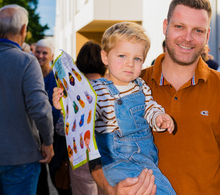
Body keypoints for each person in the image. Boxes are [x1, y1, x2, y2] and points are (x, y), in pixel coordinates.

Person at [91, 0, 220, 194]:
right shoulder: (130, 85)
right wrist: (111, 190)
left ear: (207, 36)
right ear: (165, 27)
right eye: (179, 27)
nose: (187, 38)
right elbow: (93, 153)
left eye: (198, 30)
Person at [54, 23, 176, 194]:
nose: (130, 64)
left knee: (163, 189)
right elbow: (83, 119)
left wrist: (158, 117)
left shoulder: (141, 86)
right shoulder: (95, 90)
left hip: (145, 158)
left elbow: (150, 107)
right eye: (122, 56)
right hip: (115, 159)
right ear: (105, 57)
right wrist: (65, 107)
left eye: (137, 59)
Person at [0, 4, 54, 195]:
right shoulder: (26, 61)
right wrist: (48, 141)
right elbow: (40, 109)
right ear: (23, 29)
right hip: (22, 160)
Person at [69, 41, 107, 195]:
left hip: (81, 155)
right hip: (107, 155)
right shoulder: (113, 89)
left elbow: (61, 128)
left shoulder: (73, 92)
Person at [35, 39, 72, 195]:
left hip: (55, 134)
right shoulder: (30, 74)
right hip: (35, 133)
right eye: (38, 51)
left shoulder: (57, 77)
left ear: (52, 56)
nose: (40, 55)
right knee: (39, 178)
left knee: (57, 174)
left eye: (45, 53)